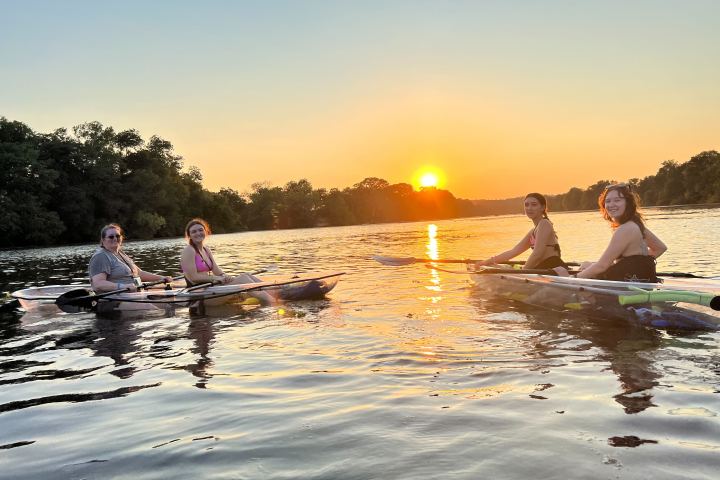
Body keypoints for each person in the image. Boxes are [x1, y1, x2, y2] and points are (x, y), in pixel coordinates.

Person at [555, 183, 666, 282]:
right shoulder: (637, 225)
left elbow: (602, 266)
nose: (611, 204)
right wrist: (636, 266)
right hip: (638, 282)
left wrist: (571, 279)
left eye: (617, 200)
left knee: (575, 269)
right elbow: (660, 248)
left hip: (626, 287)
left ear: (628, 203)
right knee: (586, 264)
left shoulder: (625, 229)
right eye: (608, 201)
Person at [180, 218, 274, 304]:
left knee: (246, 275)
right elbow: (193, 277)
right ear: (189, 236)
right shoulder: (189, 251)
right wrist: (216, 278)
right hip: (198, 295)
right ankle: (274, 303)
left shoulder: (206, 250)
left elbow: (217, 271)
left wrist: (226, 277)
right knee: (244, 279)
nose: (198, 233)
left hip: (210, 288)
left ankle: (277, 292)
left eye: (201, 230)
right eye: (194, 232)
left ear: (206, 231)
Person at [476, 193, 567, 270]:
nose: (529, 208)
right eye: (526, 205)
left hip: (552, 267)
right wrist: (485, 262)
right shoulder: (533, 231)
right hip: (543, 268)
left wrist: (523, 271)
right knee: (499, 267)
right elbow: (513, 252)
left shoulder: (545, 224)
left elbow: (537, 253)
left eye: (534, 205)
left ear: (542, 207)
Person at [89, 223, 173, 293]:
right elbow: (98, 284)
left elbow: (139, 273)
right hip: (115, 300)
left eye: (117, 236)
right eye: (111, 237)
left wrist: (162, 278)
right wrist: (123, 286)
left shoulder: (121, 254)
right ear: (103, 240)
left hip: (136, 294)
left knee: (169, 302)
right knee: (153, 310)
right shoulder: (100, 256)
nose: (115, 238)